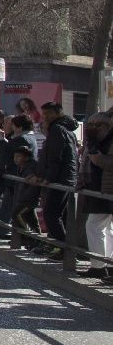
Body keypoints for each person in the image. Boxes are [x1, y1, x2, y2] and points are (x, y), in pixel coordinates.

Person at [36, 101, 80, 257]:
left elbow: (56, 157)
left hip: (60, 179)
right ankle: (64, 249)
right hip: (66, 177)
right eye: (44, 114)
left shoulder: (57, 129)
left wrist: (49, 178)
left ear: (57, 113)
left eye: (48, 114)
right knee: (61, 215)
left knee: (51, 214)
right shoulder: (66, 129)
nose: (45, 117)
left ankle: (65, 249)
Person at [79, 113, 112, 281]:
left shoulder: (107, 140)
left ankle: (100, 265)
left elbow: (106, 162)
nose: (93, 128)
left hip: (106, 188)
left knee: (95, 226)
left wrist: (98, 158)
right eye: (91, 125)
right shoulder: (95, 141)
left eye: (97, 125)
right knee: (104, 227)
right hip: (99, 188)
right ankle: (103, 264)